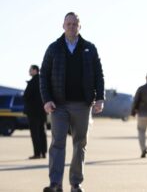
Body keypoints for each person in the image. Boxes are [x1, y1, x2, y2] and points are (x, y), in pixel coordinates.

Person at [40, 12, 105, 192]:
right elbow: (43, 76)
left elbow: (99, 75)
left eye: (74, 24)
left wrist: (100, 97)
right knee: (57, 144)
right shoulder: (53, 48)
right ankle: (55, 184)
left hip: (83, 105)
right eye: (68, 24)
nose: (71, 27)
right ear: (63, 26)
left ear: (79, 26)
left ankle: (75, 183)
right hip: (58, 105)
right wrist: (47, 100)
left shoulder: (89, 48)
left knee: (80, 144)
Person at [23, 64, 47, 159]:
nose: (29, 71)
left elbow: (27, 96)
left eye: (30, 70)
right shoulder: (43, 81)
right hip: (42, 111)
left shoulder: (33, 82)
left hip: (33, 112)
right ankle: (43, 152)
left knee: (35, 133)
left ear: (35, 70)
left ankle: (37, 153)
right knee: (42, 132)